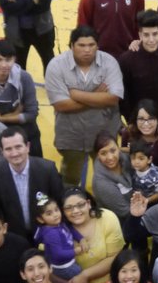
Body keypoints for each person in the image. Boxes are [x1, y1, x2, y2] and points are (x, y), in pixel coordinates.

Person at [45, 26, 125, 186]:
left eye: (91, 45)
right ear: (71, 46)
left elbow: (113, 98)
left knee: (109, 177)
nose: (87, 50)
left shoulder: (109, 62)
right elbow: (61, 105)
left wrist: (76, 95)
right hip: (71, 135)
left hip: (105, 133)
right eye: (81, 45)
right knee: (70, 179)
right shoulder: (56, 66)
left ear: (97, 45)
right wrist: (97, 95)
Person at [0, 42, 43, 155]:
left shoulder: (24, 78)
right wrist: (16, 113)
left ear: (14, 60)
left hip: (26, 132)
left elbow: (32, 114)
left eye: (8, 60)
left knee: (35, 164)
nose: (4, 65)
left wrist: (1, 118)